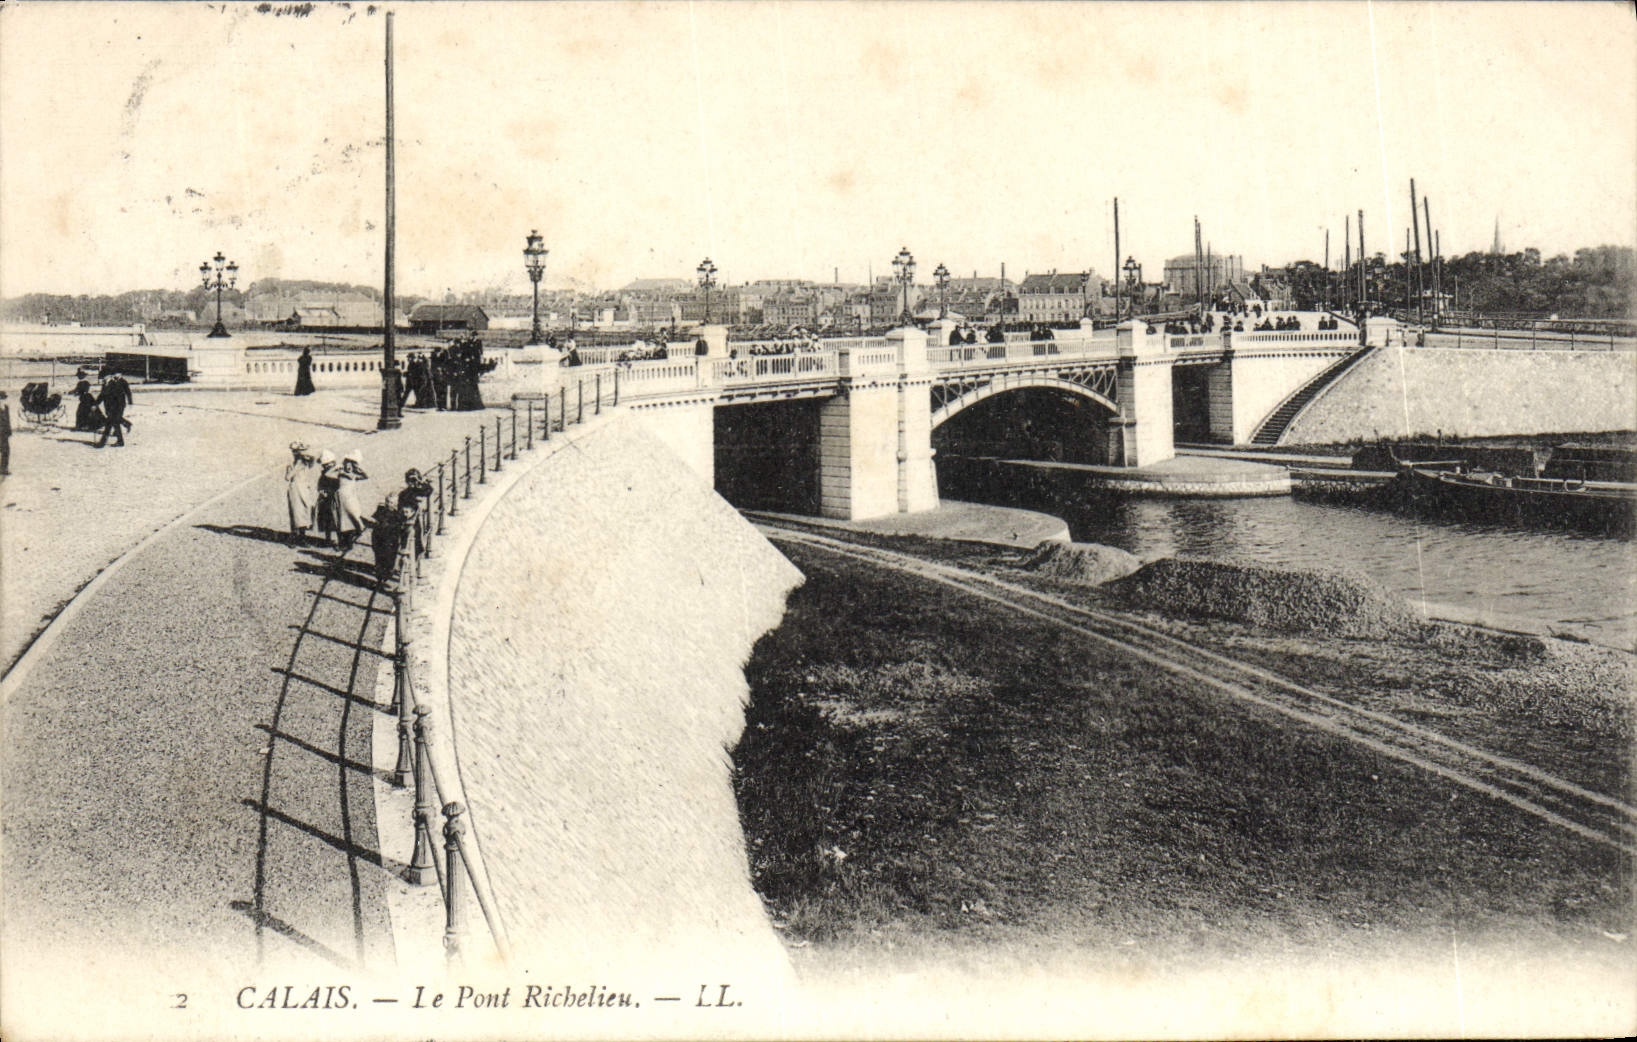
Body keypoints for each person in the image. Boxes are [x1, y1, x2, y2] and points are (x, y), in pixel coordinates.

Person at [285, 442, 320, 545]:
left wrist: (305, 454)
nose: (295, 454)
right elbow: (287, 477)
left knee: (305, 511)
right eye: (294, 452)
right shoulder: (291, 464)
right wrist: (296, 468)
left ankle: (302, 537)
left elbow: (314, 459)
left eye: (297, 452)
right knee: (296, 512)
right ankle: (294, 538)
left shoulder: (306, 463)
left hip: (304, 490)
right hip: (295, 490)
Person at [370, 493, 409, 586]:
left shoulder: (398, 514)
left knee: (390, 559)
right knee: (379, 559)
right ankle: (380, 578)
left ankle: (386, 575)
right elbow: (374, 519)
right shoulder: (381, 510)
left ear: (396, 503)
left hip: (391, 542)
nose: (389, 504)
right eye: (387, 501)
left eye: (391, 502)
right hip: (379, 539)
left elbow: (402, 527)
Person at [334, 452, 370, 552]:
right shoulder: (341, 473)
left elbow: (366, 476)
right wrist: (341, 468)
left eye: (351, 465)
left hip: (350, 498)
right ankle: (345, 543)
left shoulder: (353, 474)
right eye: (347, 464)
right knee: (344, 521)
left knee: (353, 517)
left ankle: (351, 538)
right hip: (342, 499)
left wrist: (359, 469)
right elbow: (329, 474)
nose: (348, 467)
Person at [94, 368, 133, 448]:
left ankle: (102, 443)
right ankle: (120, 441)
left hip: (115, 408)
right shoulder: (105, 384)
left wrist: (118, 409)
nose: (102, 380)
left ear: (108, 376)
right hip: (109, 409)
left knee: (109, 426)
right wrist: (96, 404)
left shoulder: (114, 384)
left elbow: (119, 398)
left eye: (103, 378)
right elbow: (102, 395)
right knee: (115, 425)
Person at [315, 450, 341, 546]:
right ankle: (328, 539)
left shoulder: (337, 472)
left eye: (326, 464)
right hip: (325, 499)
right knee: (326, 519)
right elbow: (320, 484)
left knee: (336, 519)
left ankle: (339, 540)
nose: (324, 466)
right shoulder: (324, 472)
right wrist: (321, 491)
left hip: (334, 498)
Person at [0, 390, 10, 477]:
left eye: (4, 398)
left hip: (5, 433)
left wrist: (9, 431)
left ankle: (4, 468)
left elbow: (8, 420)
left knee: (6, 450)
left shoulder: (6, 407)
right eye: (2, 398)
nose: (3, 400)